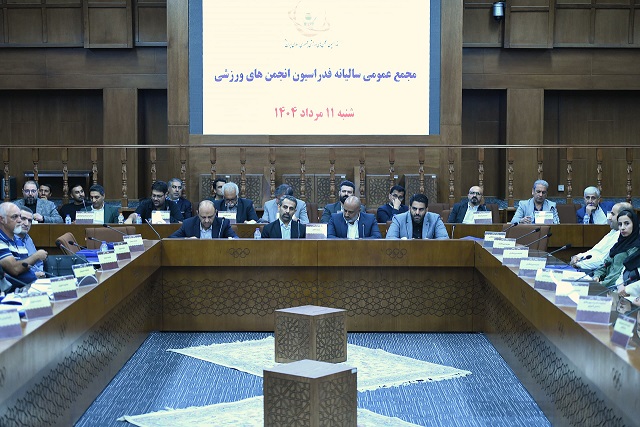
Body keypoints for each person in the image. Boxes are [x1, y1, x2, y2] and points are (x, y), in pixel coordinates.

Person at [570, 202, 632, 271]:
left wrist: (579, 264)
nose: (609, 217)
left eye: (613, 214)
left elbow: (602, 261)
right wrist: (578, 256)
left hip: (597, 271)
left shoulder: (621, 235)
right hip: (588, 266)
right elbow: (595, 251)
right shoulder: (613, 231)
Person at [0, 202, 47, 292]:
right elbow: (15, 269)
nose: (19, 221)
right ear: (2, 219)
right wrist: (36, 256)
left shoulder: (18, 240)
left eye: (19, 216)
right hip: (10, 293)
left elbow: (25, 267)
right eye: (14, 217)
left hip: (28, 287)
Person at [593, 209, 640, 289]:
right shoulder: (618, 244)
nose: (622, 228)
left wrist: (602, 284)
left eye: (627, 223)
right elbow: (605, 264)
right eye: (620, 224)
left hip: (617, 288)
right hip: (605, 284)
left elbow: (621, 274)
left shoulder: (636, 247)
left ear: (634, 224)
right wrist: (597, 276)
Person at [169, 200, 237, 239]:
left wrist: (231, 240)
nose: (207, 221)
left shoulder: (223, 223)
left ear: (215, 213)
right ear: (198, 213)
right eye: (203, 217)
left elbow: (236, 238)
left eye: (210, 217)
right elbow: (171, 238)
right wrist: (187, 239)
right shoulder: (188, 224)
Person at [16, 207, 44, 278]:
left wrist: (41, 273)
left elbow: (39, 263)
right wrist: (34, 275)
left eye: (29, 221)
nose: (26, 224)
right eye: (23, 219)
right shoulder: (8, 239)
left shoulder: (28, 238)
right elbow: (14, 270)